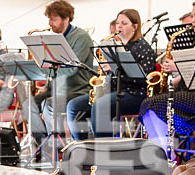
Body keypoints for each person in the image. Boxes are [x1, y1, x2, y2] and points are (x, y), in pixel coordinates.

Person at [139, 0, 195, 152]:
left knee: (156, 104)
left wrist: (179, 67)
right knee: (147, 104)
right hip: (194, 93)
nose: (192, 21)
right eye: (192, 16)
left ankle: (166, 153)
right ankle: (162, 150)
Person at [67, 9, 156, 139]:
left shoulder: (143, 47)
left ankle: (105, 151)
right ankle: (82, 147)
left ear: (135, 27)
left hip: (135, 94)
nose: (119, 26)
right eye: (118, 22)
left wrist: (116, 67)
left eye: (124, 23)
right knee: (73, 106)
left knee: (100, 106)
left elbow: (145, 78)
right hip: (115, 91)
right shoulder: (115, 46)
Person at [19, 0, 94, 145]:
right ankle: (43, 142)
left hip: (78, 89)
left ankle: (59, 145)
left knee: (50, 104)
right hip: (58, 88)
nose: (50, 24)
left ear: (66, 18)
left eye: (54, 19)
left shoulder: (81, 37)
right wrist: (46, 85)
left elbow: (72, 69)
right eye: (49, 20)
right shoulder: (55, 38)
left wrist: (46, 72)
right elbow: (53, 66)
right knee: (29, 105)